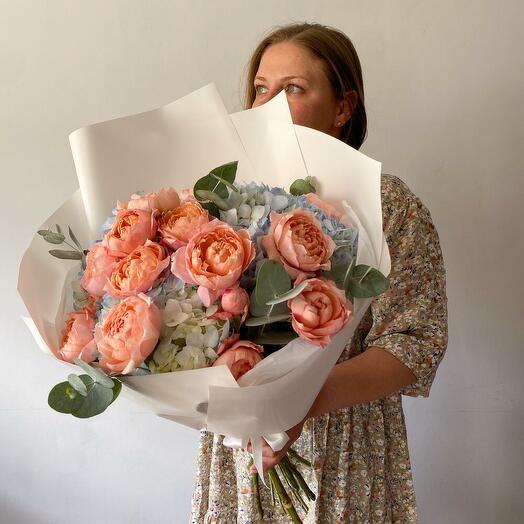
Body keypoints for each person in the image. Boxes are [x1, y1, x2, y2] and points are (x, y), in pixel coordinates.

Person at [191, 22, 448, 523]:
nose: (267, 104)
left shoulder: (386, 204)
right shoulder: (225, 201)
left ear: (343, 107)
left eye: (293, 89)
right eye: (260, 88)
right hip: (243, 449)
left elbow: (417, 343)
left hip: (346, 446)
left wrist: (296, 403)